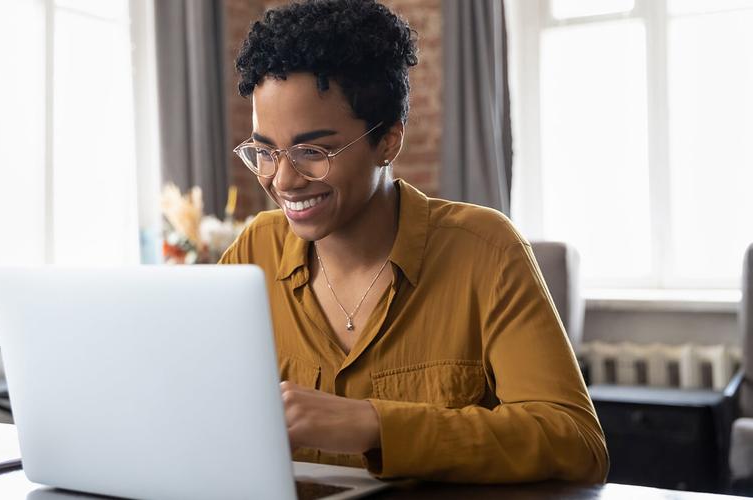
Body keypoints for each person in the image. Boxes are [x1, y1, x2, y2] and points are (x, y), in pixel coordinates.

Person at [219, 0, 608, 483]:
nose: (283, 180)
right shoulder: (251, 254)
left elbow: (574, 442)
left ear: (389, 141)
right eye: (264, 151)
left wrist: (374, 425)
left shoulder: (486, 251)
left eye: (311, 151)